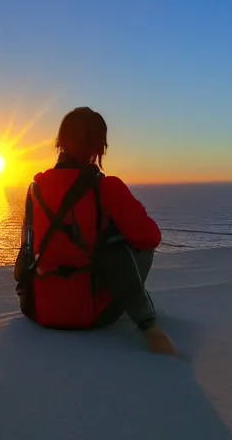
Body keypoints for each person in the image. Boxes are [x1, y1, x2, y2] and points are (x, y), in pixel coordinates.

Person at [14, 106, 177, 355]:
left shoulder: (35, 189)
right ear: (99, 146)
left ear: (60, 143)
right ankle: (147, 323)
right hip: (91, 315)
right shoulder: (107, 187)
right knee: (120, 242)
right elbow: (150, 237)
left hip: (38, 310)